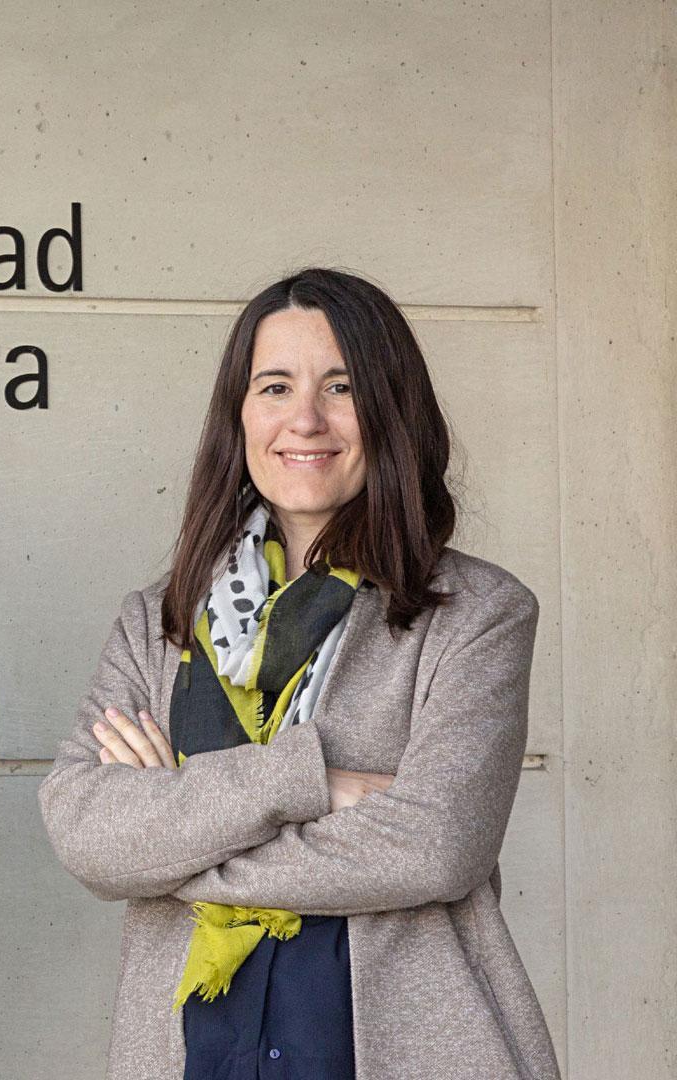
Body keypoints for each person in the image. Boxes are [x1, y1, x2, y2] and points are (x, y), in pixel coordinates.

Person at [39, 268, 559, 1079]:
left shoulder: (478, 614)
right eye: (275, 386)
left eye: (342, 386)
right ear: (239, 416)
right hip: (197, 1052)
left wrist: (173, 839)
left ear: (392, 410)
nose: (305, 419)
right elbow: (87, 830)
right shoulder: (159, 621)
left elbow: (436, 846)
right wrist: (308, 779)